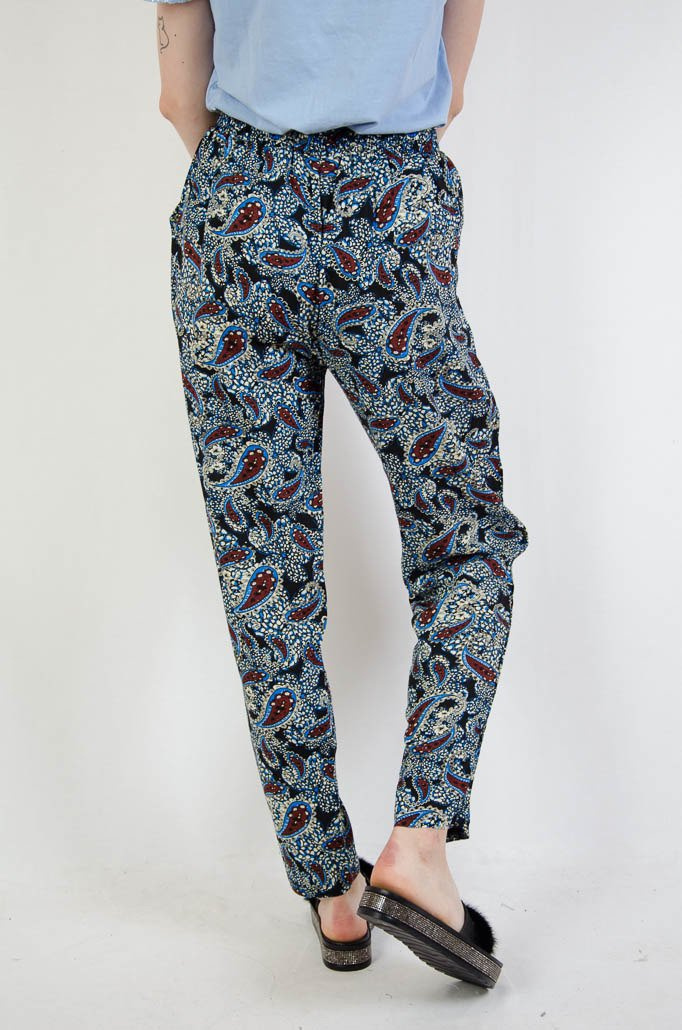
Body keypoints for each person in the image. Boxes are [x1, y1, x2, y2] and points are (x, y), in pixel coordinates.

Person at [145, 0, 529, 986]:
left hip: (235, 207)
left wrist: (248, 178)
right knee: (464, 535)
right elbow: (455, 49)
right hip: (387, 199)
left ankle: (331, 888)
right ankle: (418, 842)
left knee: (263, 569)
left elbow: (179, 79)